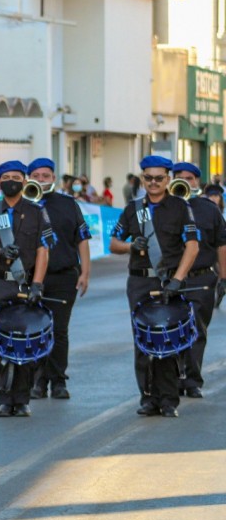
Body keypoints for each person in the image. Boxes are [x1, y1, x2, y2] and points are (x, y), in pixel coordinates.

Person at [109, 155, 199, 418]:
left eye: (159, 178)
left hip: (170, 279)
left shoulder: (181, 207)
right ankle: (148, 398)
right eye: (148, 178)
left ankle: (169, 399)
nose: (153, 183)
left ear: (168, 179)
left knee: (169, 340)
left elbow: (192, 247)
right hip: (140, 281)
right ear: (142, 179)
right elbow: (113, 243)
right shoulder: (133, 209)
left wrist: (178, 280)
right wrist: (130, 246)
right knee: (143, 340)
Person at [0, 160, 55, 417]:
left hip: (26, 282)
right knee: (1, 340)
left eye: (16, 176)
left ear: (24, 180)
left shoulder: (36, 211)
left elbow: (43, 250)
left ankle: (23, 398)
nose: (11, 180)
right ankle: (5, 400)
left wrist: (38, 284)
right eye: (6, 176)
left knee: (27, 340)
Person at [27, 158, 91, 400]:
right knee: (35, 331)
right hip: (31, 279)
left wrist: (85, 272)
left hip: (64, 276)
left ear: (53, 178)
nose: (41, 179)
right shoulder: (22, 204)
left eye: (45, 175)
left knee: (58, 330)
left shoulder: (68, 204)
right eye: (36, 175)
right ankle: (38, 381)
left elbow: (82, 238)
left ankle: (59, 381)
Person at [171, 162, 226, 399]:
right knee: (171, 330)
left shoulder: (208, 209)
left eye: (190, 178)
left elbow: (222, 243)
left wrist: (224, 276)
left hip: (202, 277)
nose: (186, 181)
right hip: (171, 278)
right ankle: (172, 379)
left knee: (196, 331)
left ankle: (192, 380)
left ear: (198, 182)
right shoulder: (163, 207)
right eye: (181, 177)